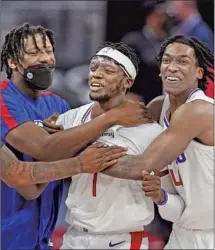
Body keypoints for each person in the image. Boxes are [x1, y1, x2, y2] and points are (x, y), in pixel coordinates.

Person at [0, 22, 151, 249]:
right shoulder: (3, 97)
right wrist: (111, 119)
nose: (46, 58)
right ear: (12, 62)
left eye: (49, 51)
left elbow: (42, 174)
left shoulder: (58, 105)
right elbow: (37, 158)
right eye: (34, 52)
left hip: (42, 238)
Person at [100, 35, 214, 249]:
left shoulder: (199, 110)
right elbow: (117, 127)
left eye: (182, 61)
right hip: (183, 230)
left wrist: (80, 159)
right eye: (167, 60)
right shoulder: (158, 107)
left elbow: (142, 165)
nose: (172, 67)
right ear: (160, 69)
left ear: (199, 72)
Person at [53, 42, 165, 249]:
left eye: (108, 70)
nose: (97, 74)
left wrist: (70, 151)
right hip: (74, 236)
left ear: (127, 82)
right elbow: (46, 151)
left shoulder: (149, 129)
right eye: (94, 67)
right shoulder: (70, 119)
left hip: (122, 239)